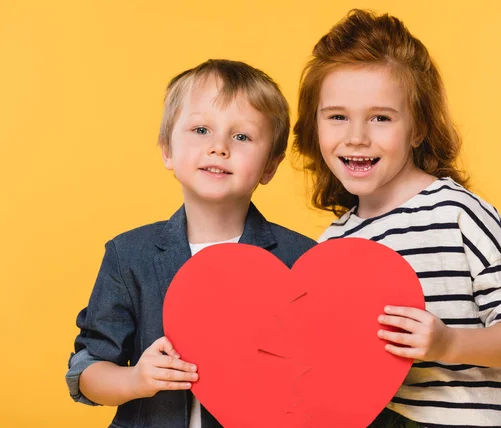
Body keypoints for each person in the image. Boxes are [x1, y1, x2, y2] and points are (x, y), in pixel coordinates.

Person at [293, 9, 501, 428]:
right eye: (337, 116)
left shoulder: (458, 214)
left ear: (418, 129)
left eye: (381, 117)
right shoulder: (331, 247)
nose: (356, 136)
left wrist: (449, 342)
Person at [66, 59, 316, 428]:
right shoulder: (128, 255)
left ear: (270, 166)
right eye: (201, 129)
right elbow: (87, 372)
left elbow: (319, 377)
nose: (219, 147)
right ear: (167, 150)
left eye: (242, 136)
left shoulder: (302, 259)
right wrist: (135, 380)